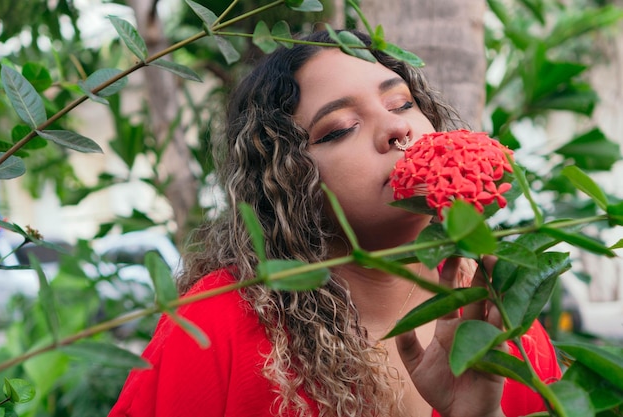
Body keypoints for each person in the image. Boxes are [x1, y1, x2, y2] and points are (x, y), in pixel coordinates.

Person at [108, 30, 561, 417]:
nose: (396, 128)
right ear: (287, 178)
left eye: (402, 103)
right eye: (341, 127)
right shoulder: (216, 324)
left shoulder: (501, 317)